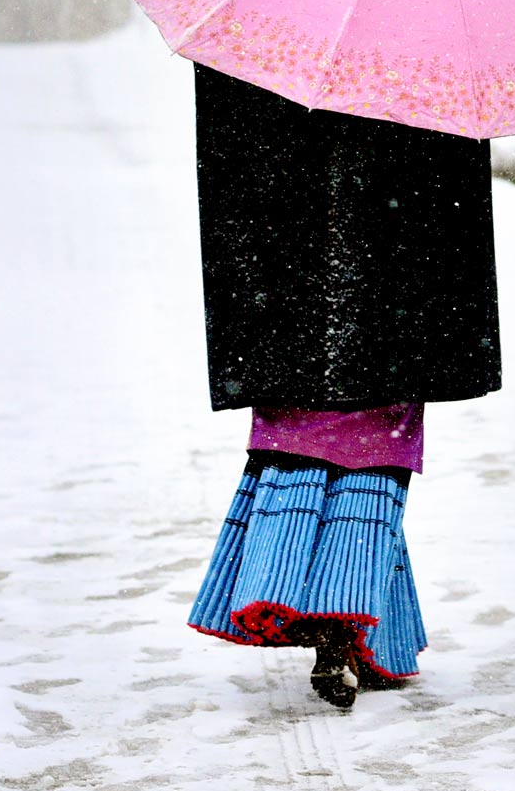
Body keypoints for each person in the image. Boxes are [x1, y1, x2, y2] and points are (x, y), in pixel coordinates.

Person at [181, 62, 498, 708]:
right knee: (372, 455)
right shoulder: (422, 49)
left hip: (293, 291)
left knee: (307, 438)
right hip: (389, 287)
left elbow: (241, 172)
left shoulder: (266, 42)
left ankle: (318, 607)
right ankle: (344, 627)